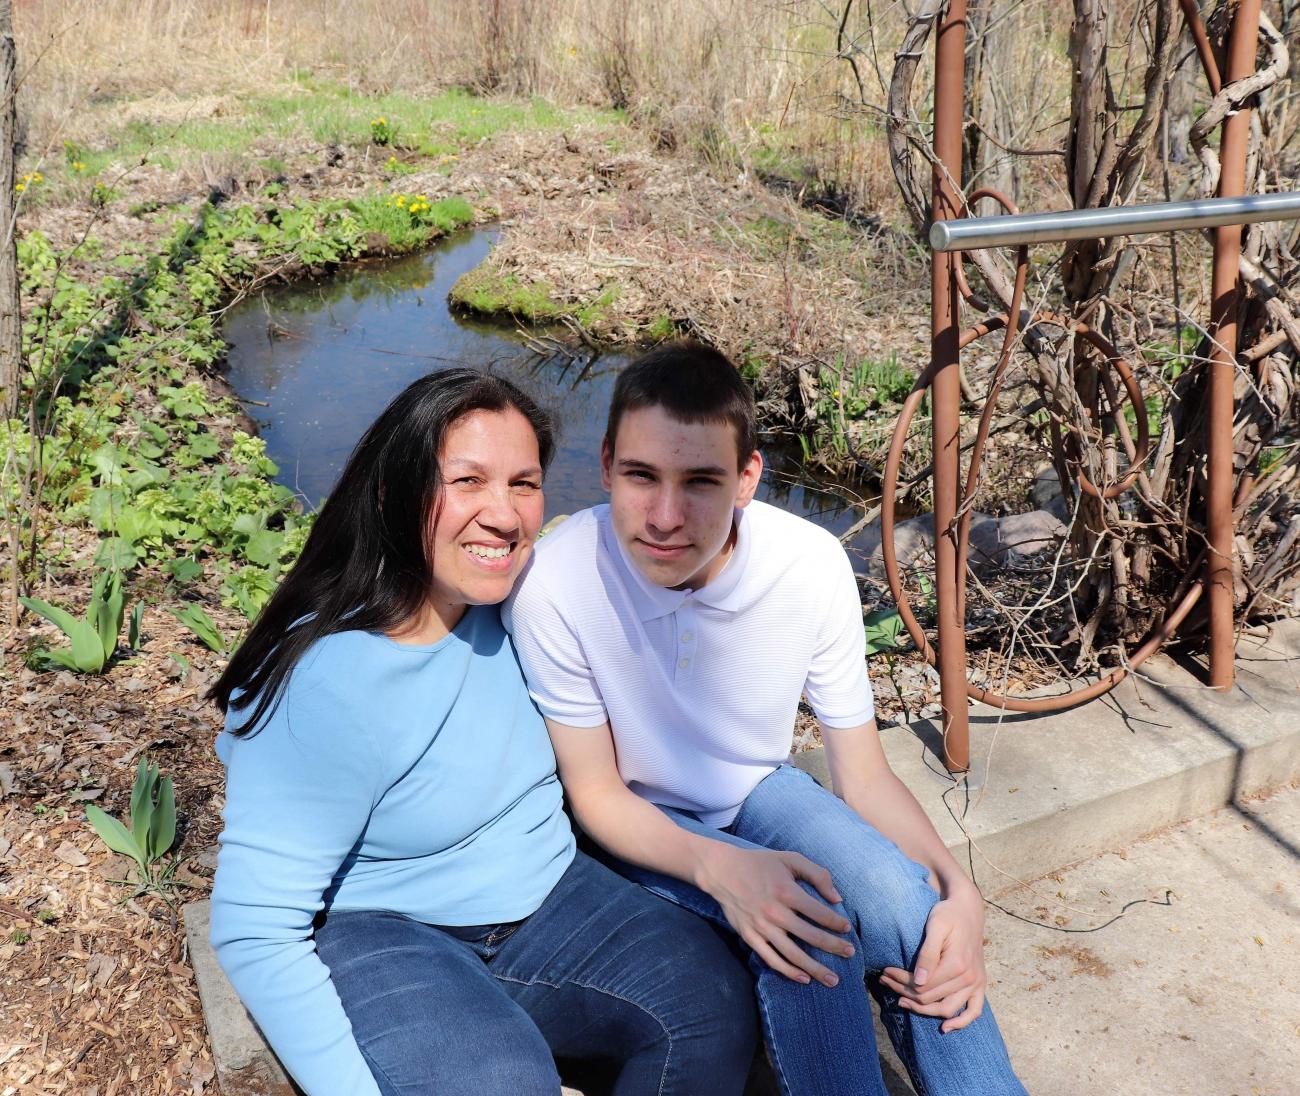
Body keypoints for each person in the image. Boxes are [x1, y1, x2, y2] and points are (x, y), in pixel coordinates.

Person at [207, 368, 757, 1096]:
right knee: (499, 1081)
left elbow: (679, 536)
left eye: (524, 484)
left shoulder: (522, 604)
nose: (502, 515)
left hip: (553, 900)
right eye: (467, 482)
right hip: (387, 928)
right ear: (394, 491)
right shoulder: (327, 681)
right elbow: (255, 927)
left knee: (707, 1003)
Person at [505, 341, 1028, 1096]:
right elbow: (596, 795)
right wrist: (725, 872)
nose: (664, 517)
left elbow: (863, 774)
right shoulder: (557, 580)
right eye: (641, 477)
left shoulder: (808, 565)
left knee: (909, 910)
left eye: (701, 483)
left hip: (758, 790)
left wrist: (959, 891)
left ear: (748, 477)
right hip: (639, 820)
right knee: (807, 936)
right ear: (607, 463)